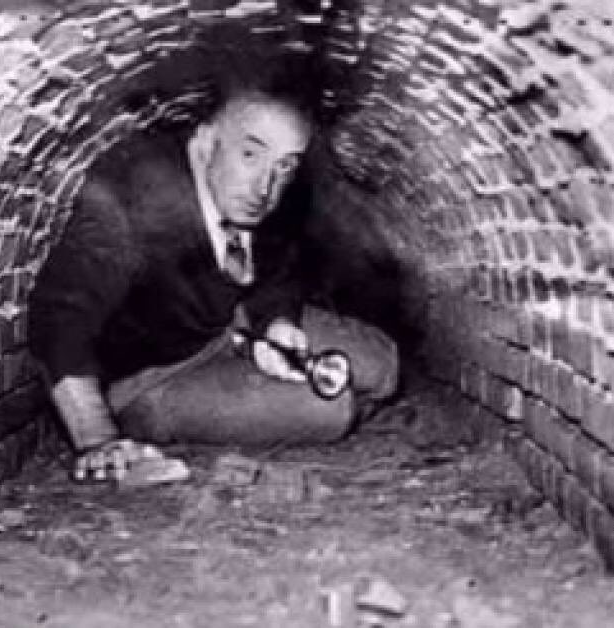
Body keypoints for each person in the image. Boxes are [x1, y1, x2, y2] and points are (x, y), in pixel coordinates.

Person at [27, 80, 400, 483]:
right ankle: (162, 417)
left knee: (383, 365)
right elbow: (60, 316)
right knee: (332, 410)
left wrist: (275, 324)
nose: (265, 187)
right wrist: (97, 438)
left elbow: (279, 261)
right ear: (205, 142)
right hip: (153, 375)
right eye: (250, 154)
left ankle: (256, 374)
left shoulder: (256, 192)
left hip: (230, 327)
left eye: (285, 165)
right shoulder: (131, 198)